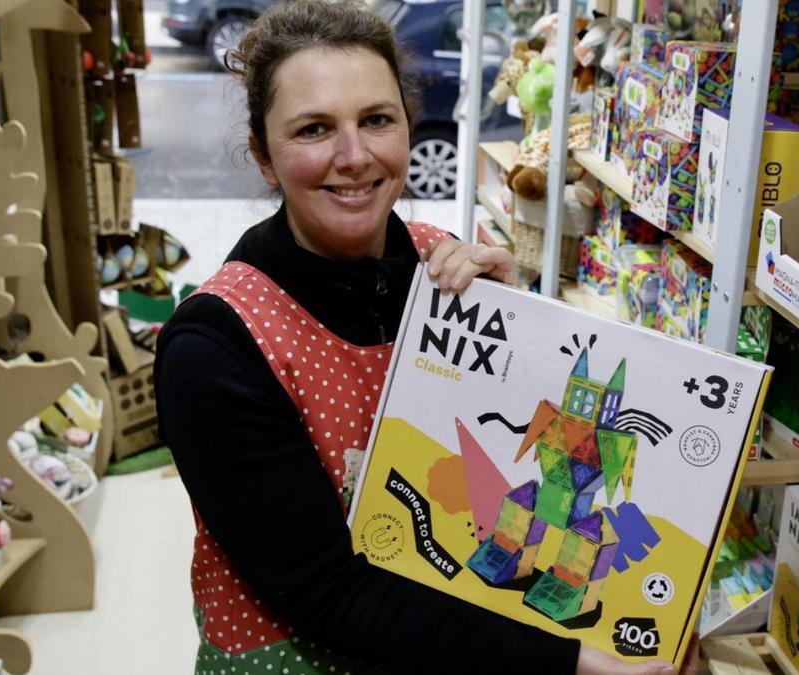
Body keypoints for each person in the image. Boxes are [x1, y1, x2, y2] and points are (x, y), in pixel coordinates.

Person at [155, 2, 694, 673]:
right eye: (314, 129)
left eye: (377, 120)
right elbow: (328, 593)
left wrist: (520, 325)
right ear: (264, 156)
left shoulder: (445, 269)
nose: (354, 157)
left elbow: (530, 462)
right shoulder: (215, 347)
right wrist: (569, 663)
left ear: (409, 128)